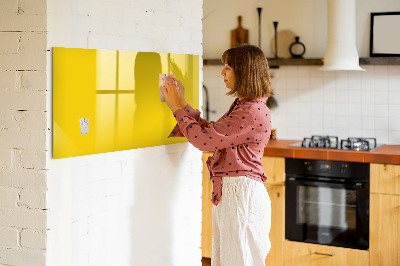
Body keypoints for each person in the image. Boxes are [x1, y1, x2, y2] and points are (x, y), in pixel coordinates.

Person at [161, 44, 273, 266]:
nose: (222, 72)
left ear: (244, 72)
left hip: (241, 195)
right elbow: (212, 133)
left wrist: (176, 108)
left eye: (228, 67)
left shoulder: (250, 111)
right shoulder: (246, 106)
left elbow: (204, 141)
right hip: (236, 193)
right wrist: (182, 103)